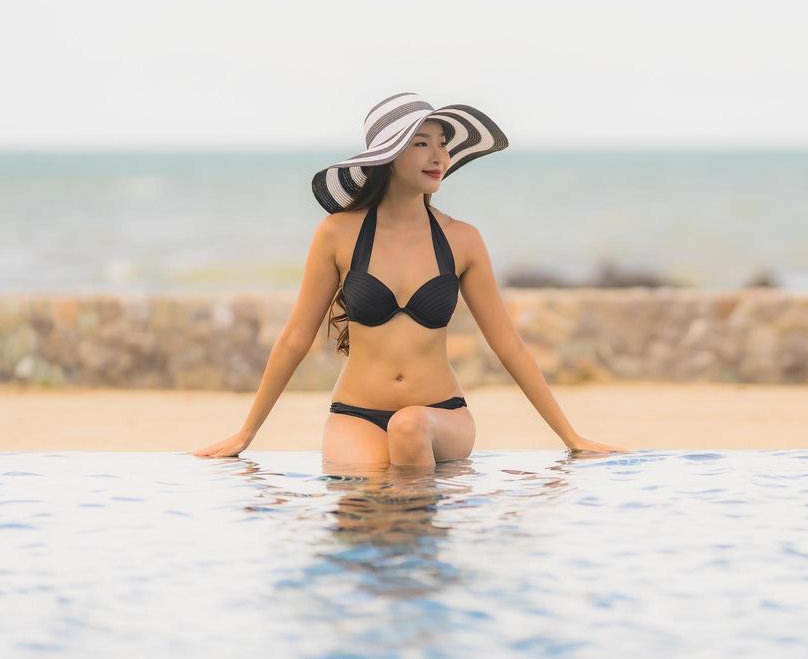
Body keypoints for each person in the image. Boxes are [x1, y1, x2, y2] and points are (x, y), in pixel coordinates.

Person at [192, 93, 629, 468]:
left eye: (442, 145)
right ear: (389, 156)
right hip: (355, 416)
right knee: (367, 501)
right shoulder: (338, 234)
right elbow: (295, 338)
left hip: (441, 417)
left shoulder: (462, 240)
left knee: (409, 427)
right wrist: (245, 434)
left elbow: (508, 344)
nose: (438, 156)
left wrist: (570, 436)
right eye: (421, 144)